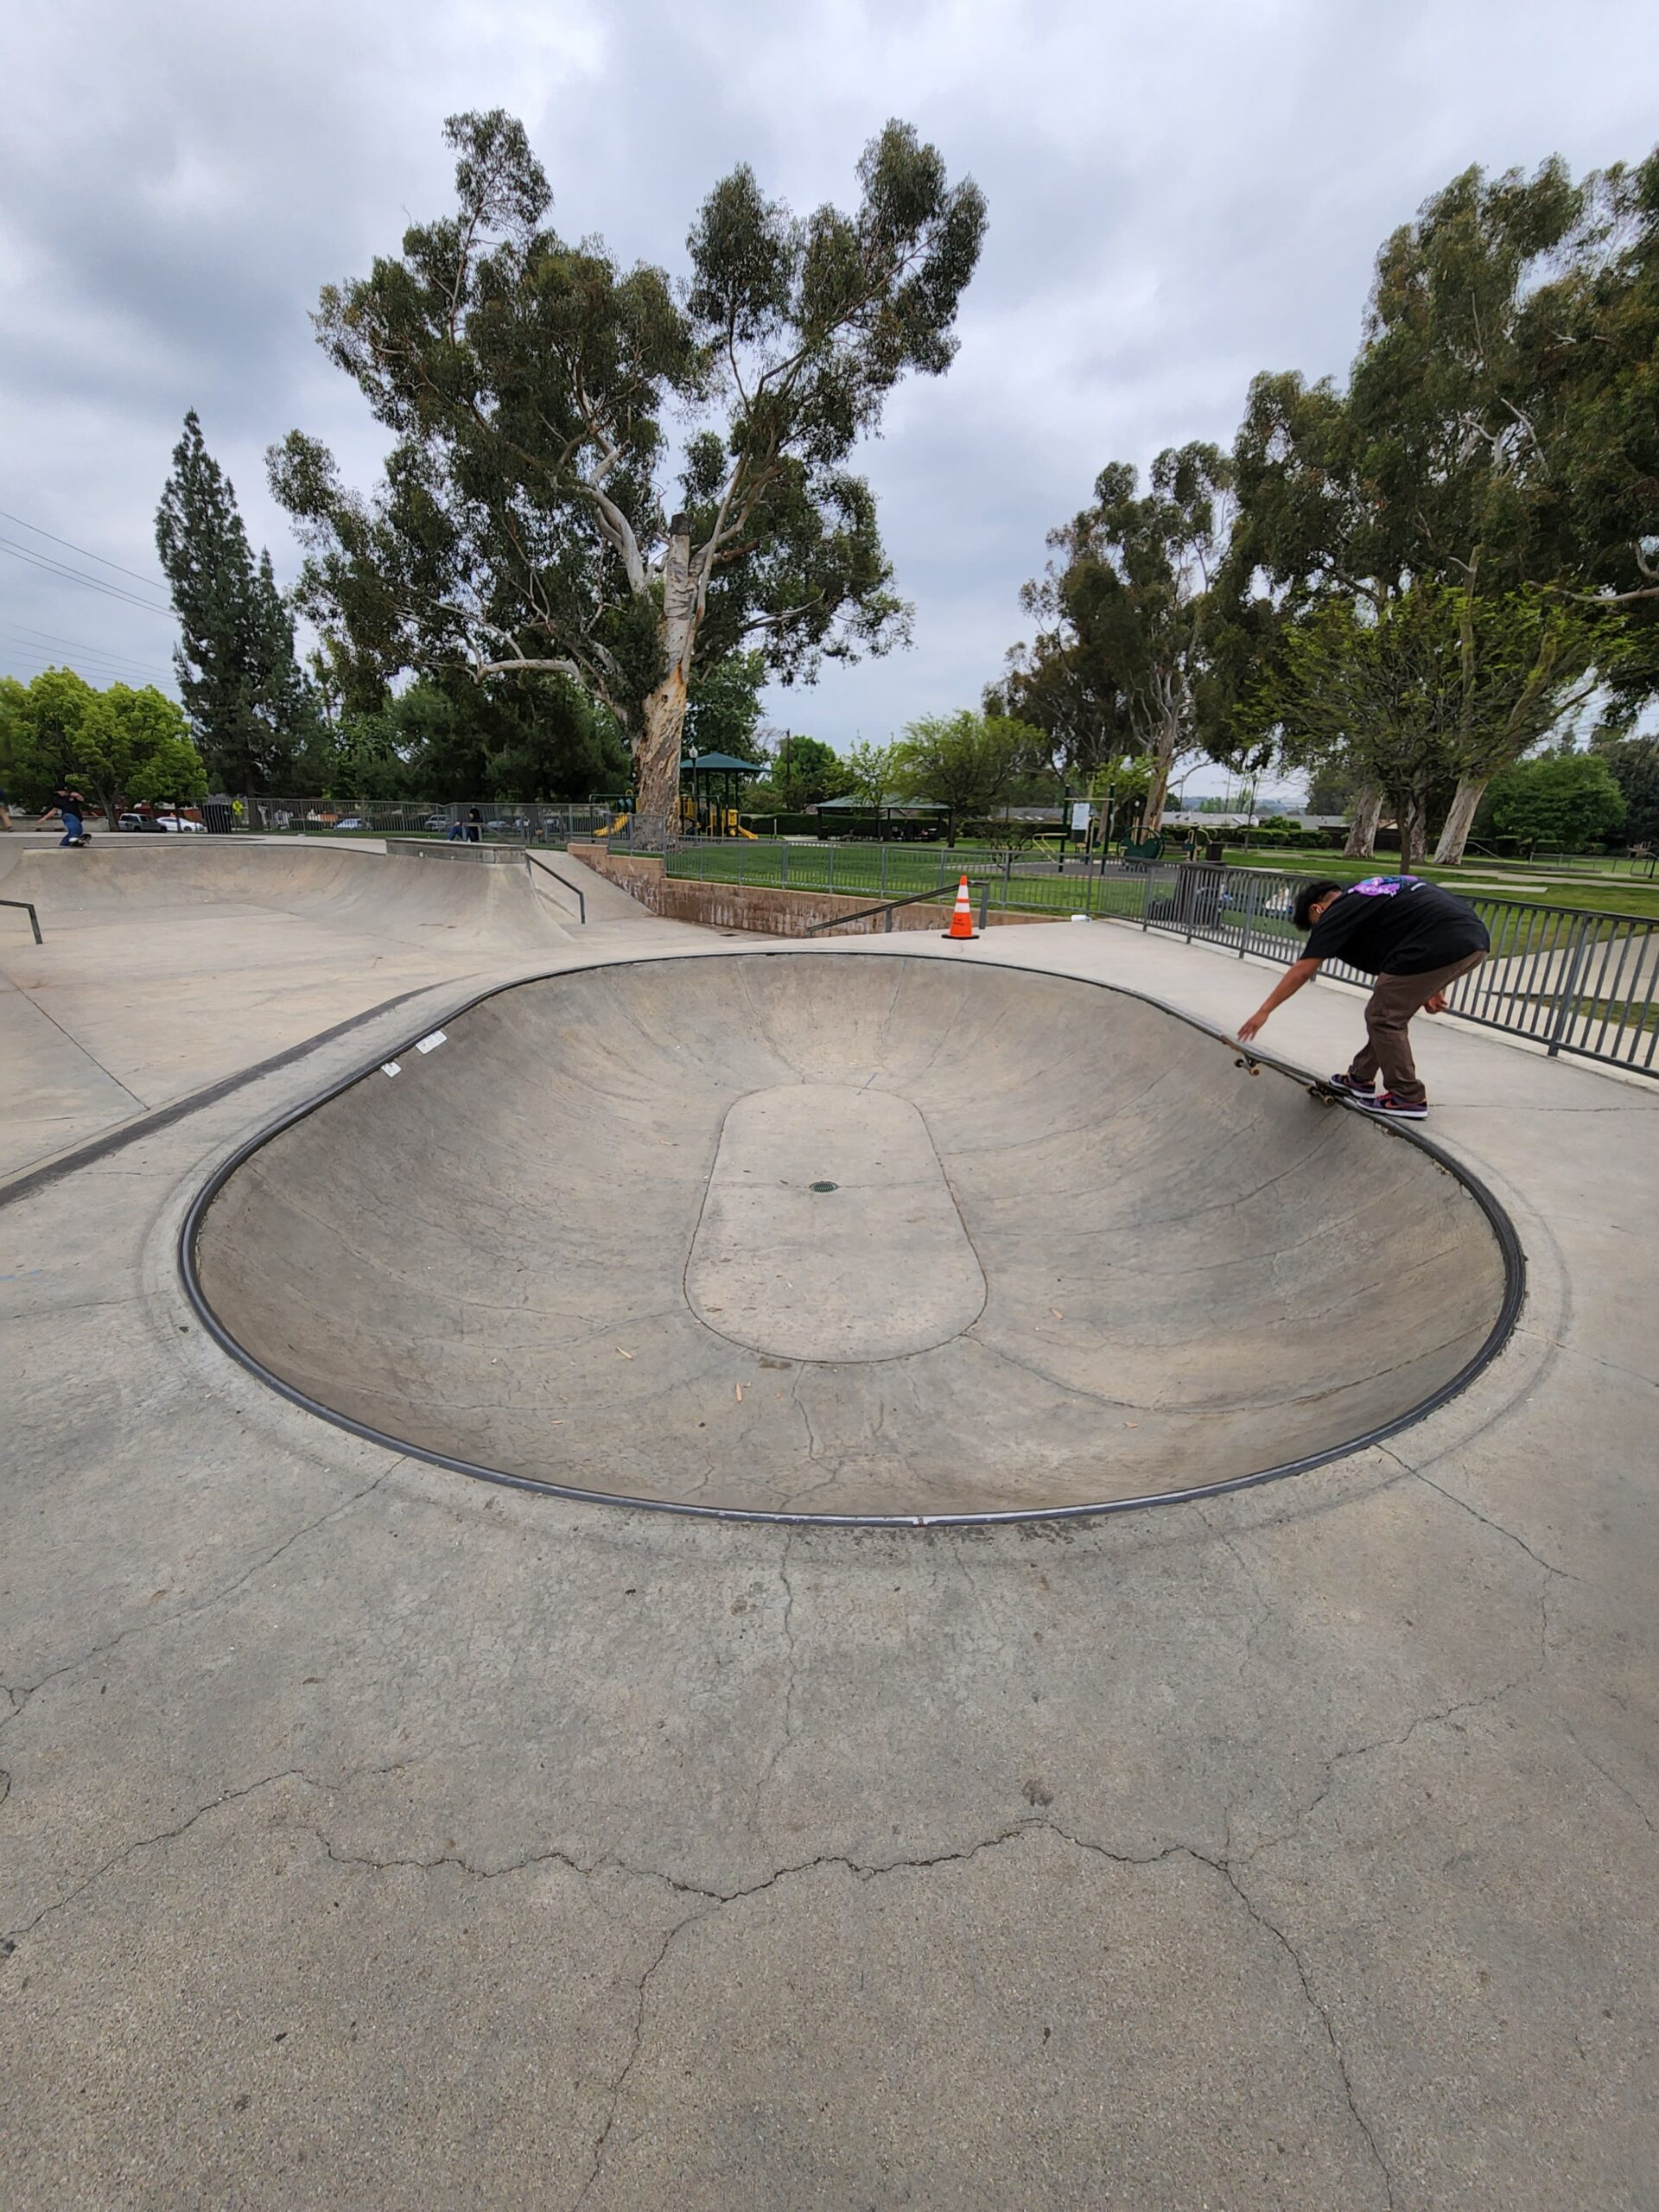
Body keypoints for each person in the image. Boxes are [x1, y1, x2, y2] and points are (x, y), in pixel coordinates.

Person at [1237, 874, 1489, 1119]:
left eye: (1314, 924)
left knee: (1383, 1017)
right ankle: (1360, 1077)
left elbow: (1303, 970)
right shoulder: (1368, 894)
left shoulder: (1337, 912)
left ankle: (1407, 1096)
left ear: (1317, 909)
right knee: (1386, 1012)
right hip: (1471, 940)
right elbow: (1414, 921)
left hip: (1442, 944)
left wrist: (1264, 1011)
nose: (1321, 931)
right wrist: (1432, 986)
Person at [39, 782, 91, 848]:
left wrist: (78, 795)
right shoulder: (57, 799)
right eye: (59, 791)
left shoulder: (72, 796)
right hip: (67, 816)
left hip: (77, 818)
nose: (61, 793)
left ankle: (63, 844)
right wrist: (45, 818)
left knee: (79, 831)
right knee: (72, 824)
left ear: (65, 790)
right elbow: (54, 810)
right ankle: (73, 838)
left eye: (62, 791)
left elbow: (82, 799)